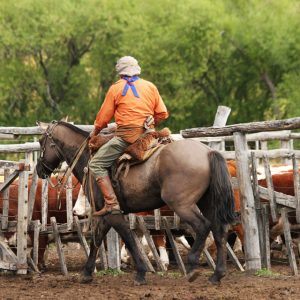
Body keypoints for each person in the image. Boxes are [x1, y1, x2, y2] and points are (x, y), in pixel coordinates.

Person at [89, 56, 169, 216]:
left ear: (120, 73)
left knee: (96, 164)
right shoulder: (150, 86)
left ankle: (111, 203)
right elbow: (162, 113)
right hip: (148, 136)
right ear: (136, 70)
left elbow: (103, 118)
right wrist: (152, 120)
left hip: (127, 137)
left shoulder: (115, 88)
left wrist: (95, 133)